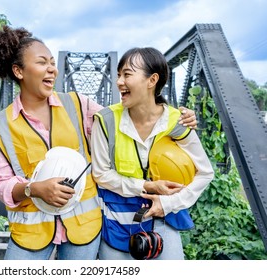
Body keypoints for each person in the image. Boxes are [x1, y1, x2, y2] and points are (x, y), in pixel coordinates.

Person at [0, 25, 197, 260]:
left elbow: (129, 121)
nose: (52, 69)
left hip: (84, 228)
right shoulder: (0, 124)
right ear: (19, 71)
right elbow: (0, 183)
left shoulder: (78, 105)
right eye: (42, 63)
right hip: (31, 233)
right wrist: (33, 189)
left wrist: (173, 117)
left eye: (52, 62)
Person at [90, 47, 214, 260]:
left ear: (152, 80)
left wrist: (168, 204)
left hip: (163, 215)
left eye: (127, 74)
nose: (119, 81)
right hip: (118, 216)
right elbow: (101, 174)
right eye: (118, 75)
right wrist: (146, 186)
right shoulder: (106, 120)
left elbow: (205, 173)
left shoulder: (177, 122)